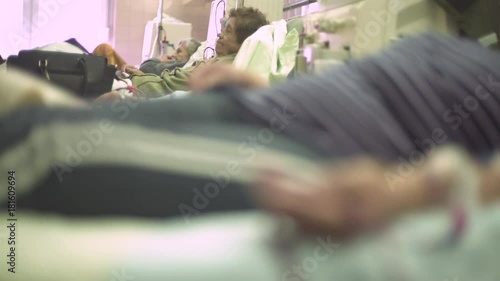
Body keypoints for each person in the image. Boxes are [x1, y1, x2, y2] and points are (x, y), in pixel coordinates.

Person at [124, 7, 269, 97]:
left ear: (243, 42)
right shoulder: (214, 60)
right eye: (223, 29)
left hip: (141, 89)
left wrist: (132, 80)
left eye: (228, 31)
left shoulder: (222, 68)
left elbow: (166, 87)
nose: (219, 34)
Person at [91, 38, 201, 76]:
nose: (172, 55)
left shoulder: (183, 66)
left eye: (179, 51)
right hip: (133, 74)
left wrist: (159, 60)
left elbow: (146, 68)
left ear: (191, 56)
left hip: (134, 80)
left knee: (104, 49)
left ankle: (104, 79)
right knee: (104, 49)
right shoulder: (175, 66)